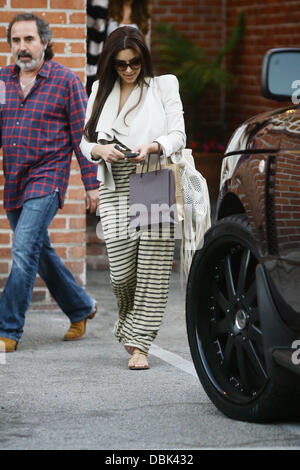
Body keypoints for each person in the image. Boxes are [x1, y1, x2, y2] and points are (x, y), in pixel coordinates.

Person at [80, 26, 186, 370]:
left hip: (154, 175)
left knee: (153, 269)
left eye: (135, 62)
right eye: (121, 64)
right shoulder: (100, 90)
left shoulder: (163, 85)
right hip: (115, 183)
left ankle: (140, 343)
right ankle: (130, 326)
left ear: (144, 58)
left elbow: (178, 135)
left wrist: (153, 146)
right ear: (110, 63)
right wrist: (100, 149)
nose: (128, 69)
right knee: (122, 273)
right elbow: (84, 141)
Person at [0, 13, 99, 352]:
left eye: (29, 40)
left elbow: (82, 138)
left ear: (45, 42)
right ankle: (81, 308)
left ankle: (7, 329)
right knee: (40, 253)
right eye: (16, 41)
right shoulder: (3, 81)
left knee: (24, 248)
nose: (22, 47)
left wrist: (92, 184)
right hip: (14, 180)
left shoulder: (65, 81)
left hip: (47, 178)